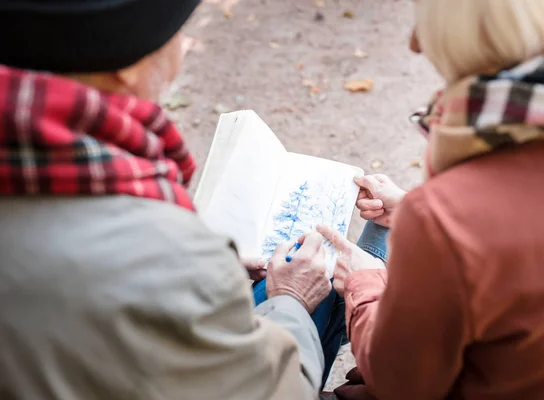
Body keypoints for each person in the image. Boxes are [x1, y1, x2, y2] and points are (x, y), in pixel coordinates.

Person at [0, 1, 335, 399]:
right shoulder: (161, 252)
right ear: (126, 66)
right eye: (177, 34)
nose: (184, 45)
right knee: (331, 287)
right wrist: (292, 302)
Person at [323, 0, 544, 399]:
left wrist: (364, 284)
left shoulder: (451, 217)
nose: (416, 44)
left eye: (425, 23)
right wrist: (415, 215)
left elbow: (401, 381)